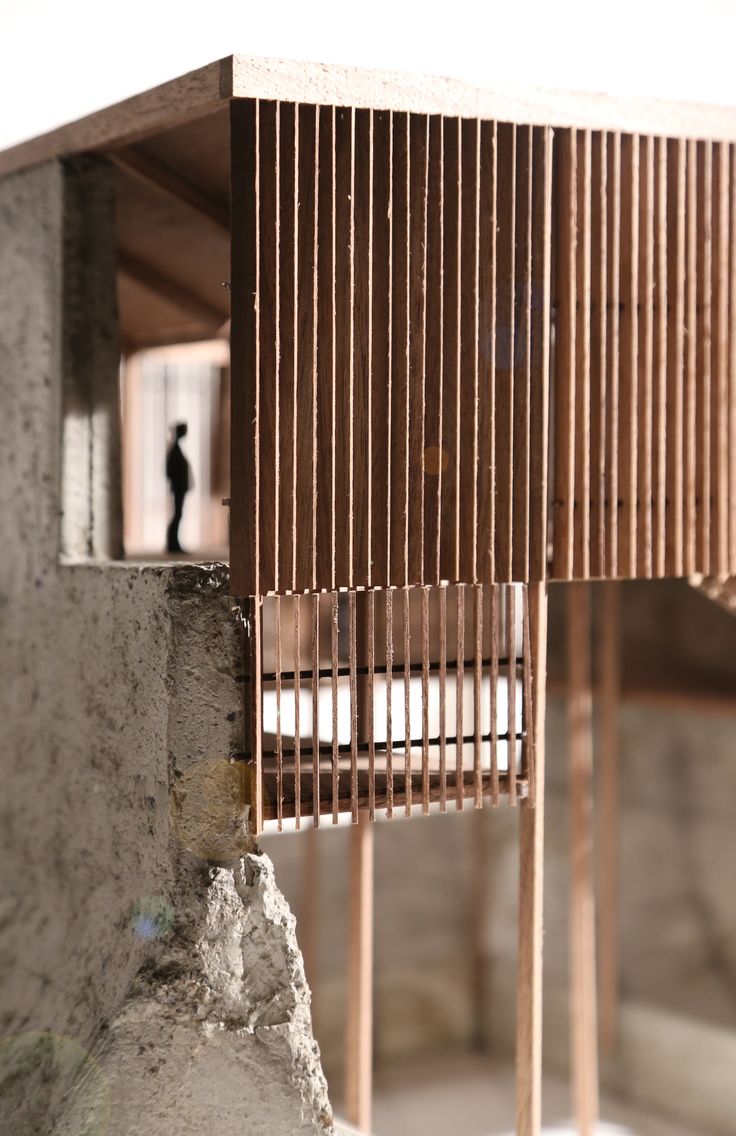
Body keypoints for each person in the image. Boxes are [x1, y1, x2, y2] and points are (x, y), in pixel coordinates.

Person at [166, 422, 192, 553]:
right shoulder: (175, 449)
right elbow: (170, 471)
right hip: (178, 487)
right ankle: (172, 544)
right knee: (177, 514)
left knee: (178, 514)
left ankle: (174, 544)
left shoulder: (176, 448)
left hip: (179, 487)